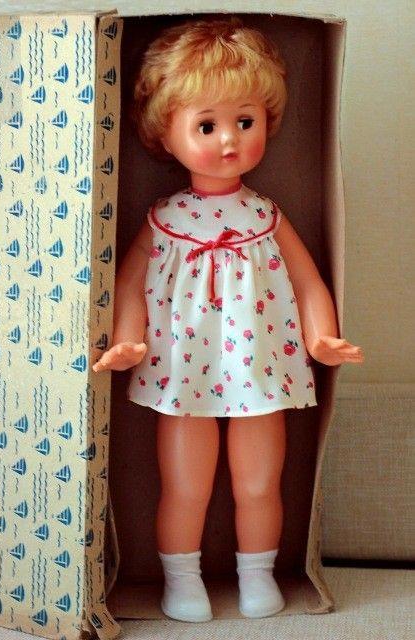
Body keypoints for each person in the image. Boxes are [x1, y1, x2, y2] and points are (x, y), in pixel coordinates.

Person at [93, 18, 364, 623]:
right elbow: (128, 283)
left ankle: (258, 574)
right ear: (165, 133)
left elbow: (307, 280)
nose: (228, 141)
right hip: (182, 363)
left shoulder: (265, 214)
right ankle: (181, 579)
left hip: (259, 363)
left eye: (245, 121)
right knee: (185, 485)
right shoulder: (165, 218)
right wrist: (128, 338)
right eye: (206, 125)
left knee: (259, 482)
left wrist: (322, 336)